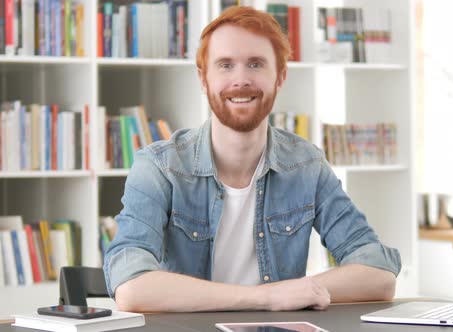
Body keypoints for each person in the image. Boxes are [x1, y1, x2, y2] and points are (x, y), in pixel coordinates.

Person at [103, 6, 401, 312]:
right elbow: (131, 285)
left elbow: (379, 273)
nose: (241, 79)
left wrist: (305, 291)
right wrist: (269, 297)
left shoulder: (306, 166)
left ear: (280, 76)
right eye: (226, 65)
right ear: (204, 79)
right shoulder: (160, 167)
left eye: (256, 64)